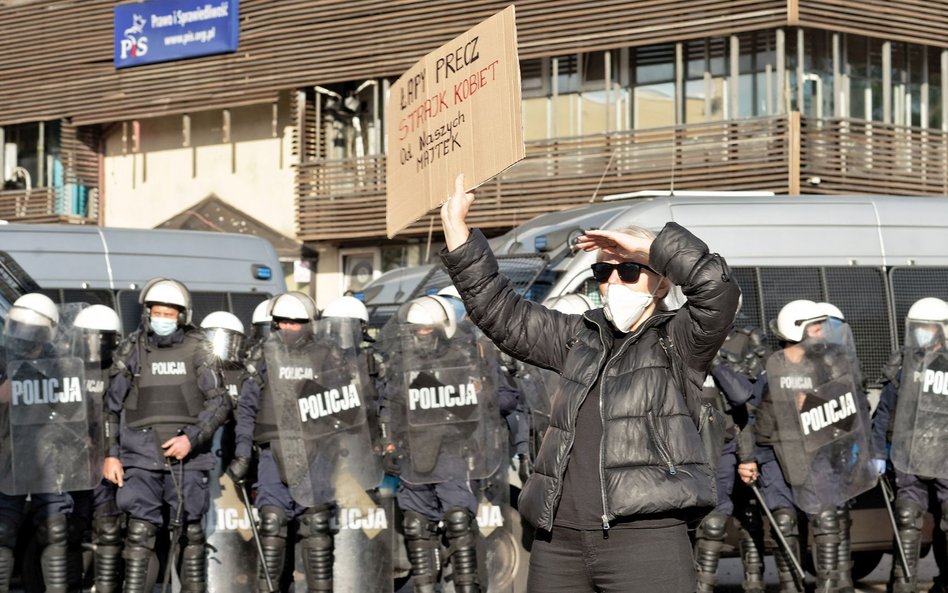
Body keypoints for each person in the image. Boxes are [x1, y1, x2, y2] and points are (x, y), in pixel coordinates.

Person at [438, 174, 740, 592]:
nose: (614, 282)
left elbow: (718, 289)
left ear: (663, 281)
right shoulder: (580, 335)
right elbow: (502, 314)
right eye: (603, 271)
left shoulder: (678, 341)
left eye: (630, 270)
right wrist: (457, 231)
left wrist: (651, 248)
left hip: (644, 539)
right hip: (557, 538)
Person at [229, 292, 372, 593]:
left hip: (317, 454)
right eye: (282, 322)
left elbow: (348, 406)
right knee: (272, 524)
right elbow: (246, 408)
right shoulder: (262, 355)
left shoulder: (327, 355)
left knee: (317, 527)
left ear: (309, 323)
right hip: (273, 452)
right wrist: (243, 454)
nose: (288, 327)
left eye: (296, 322)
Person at [102, 278, 230, 593]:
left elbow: (220, 401)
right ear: (147, 313)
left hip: (187, 458)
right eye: (157, 312)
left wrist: (192, 437)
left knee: (191, 535)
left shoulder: (199, 349)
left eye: (169, 314)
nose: (162, 319)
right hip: (140, 457)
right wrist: (111, 454)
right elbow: (110, 407)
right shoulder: (131, 349)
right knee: (140, 535)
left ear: (182, 316)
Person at [748, 299, 875, 593]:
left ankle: (829, 586)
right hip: (776, 452)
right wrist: (749, 457)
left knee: (827, 519)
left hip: (818, 452)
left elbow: (850, 410)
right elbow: (751, 413)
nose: (822, 331)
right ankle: (790, 586)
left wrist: (817, 402)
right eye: (816, 326)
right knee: (783, 521)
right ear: (796, 329)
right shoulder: (769, 367)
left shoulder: (828, 365)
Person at [376, 293, 500, 593]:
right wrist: (389, 444)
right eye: (415, 331)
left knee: (459, 521)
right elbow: (390, 406)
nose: (420, 337)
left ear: (441, 328)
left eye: (425, 330)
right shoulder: (401, 364)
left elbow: (482, 407)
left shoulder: (462, 358)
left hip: (452, 453)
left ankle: (467, 587)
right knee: (417, 526)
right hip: (413, 455)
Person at [0, 293, 80, 593]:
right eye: (18, 328)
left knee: (56, 530)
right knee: (3, 530)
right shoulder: (1, 360)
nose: (23, 337)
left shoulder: (64, 364)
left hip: (49, 456)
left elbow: (75, 413)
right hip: (7, 456)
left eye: (31, 330)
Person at [874, 297, 948, 593]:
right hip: (909, 454)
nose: (923, 333)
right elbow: (884, 413)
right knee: (906, 517)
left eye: (929, 328)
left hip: (945, 457)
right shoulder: (904, 365)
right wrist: (878, 452)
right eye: (919, 328)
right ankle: (902, 585)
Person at [693, 324, 768, 593]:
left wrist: (748, 456)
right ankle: (703, 585)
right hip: (706, 446)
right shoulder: (685, 340)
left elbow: (745, 402)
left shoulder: (746, 343)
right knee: (713, 520)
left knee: (749, 513)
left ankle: (755, 582)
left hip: (738, 440)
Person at [68, 304, 124, 593]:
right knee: (69, 529)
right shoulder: (66, 368)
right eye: (89, 338)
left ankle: (106, 586)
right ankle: (71, 584)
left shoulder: (117, 372)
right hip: (72, 464)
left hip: (105, 462)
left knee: (109, 528)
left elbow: (118, 415)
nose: (94, 346)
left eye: (101, 339)